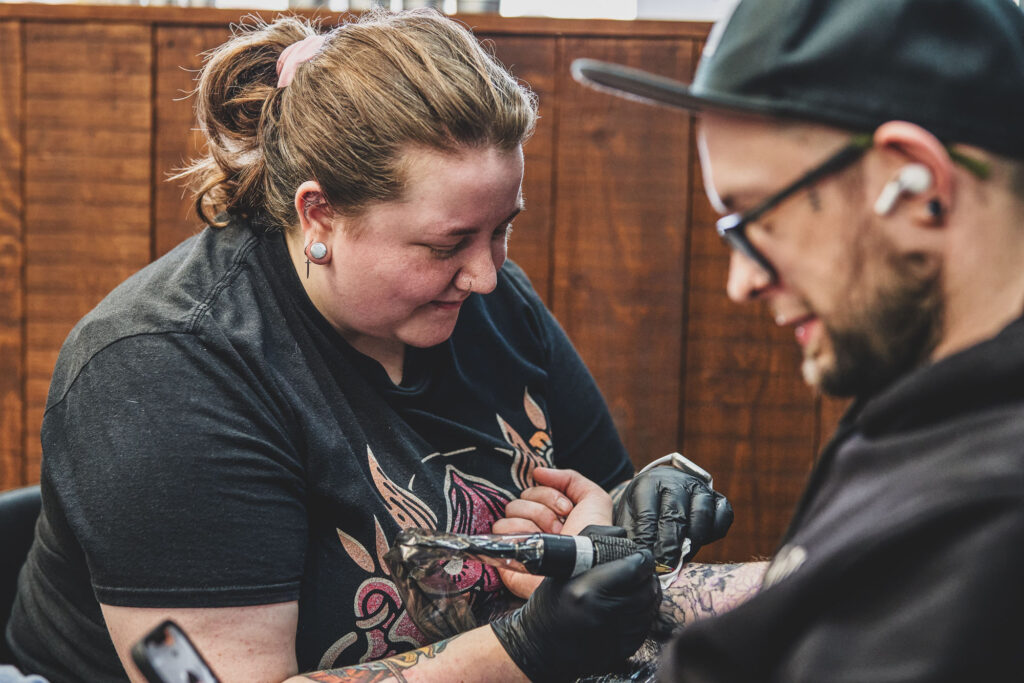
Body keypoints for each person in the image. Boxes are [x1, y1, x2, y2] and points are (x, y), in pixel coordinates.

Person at [6, 9, 732, 683]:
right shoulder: (163, 373)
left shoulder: (488, 303)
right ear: (317, 214)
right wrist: (526, 645)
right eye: (448, 244)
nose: (486, 275)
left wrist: (636, 517)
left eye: (501, 228)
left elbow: (598, 510)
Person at [571, 0, 1024, 679]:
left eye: (756, 218)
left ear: (917, 185)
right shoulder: (930, 402)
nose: (742, 282)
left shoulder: (988, 518)